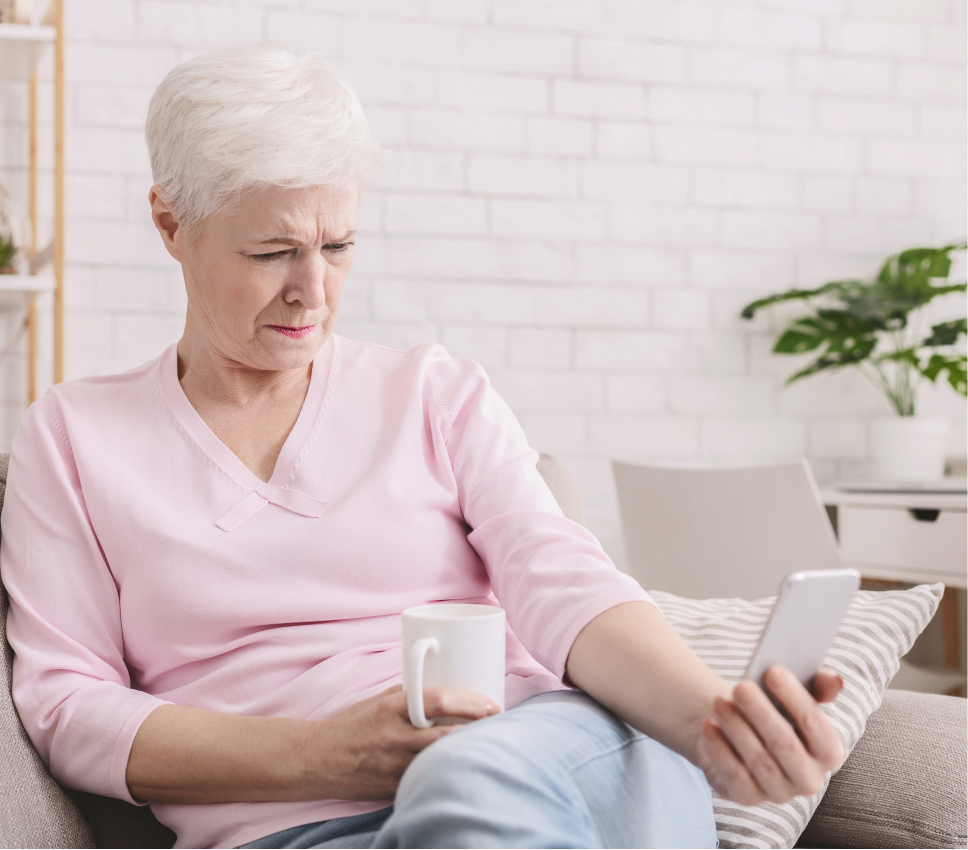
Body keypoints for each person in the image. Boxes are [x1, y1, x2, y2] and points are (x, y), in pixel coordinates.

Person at [1, 44, 843, 850]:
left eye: (338, 247)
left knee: (468, 785)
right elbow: (68, 707)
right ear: (170, 223)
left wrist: (712, 717)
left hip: (541, 759)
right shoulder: (74, 437)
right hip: (292, 829)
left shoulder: (436, 392)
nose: (314, 291)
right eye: (271, 251)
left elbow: (566, 582)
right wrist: (319, 756)